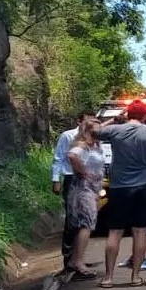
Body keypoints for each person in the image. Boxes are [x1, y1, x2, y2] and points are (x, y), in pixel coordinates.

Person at [95, 99, 146, 287]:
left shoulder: (116, 130)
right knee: (140, 232)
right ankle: (135, 276)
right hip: (144, 186)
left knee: (115, 232)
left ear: (127, 114)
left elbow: (93, 132)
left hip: (119, 187)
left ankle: (108, 278)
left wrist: (115, 120)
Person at [63, 117, 105, 278]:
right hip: (83, 189)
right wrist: (83, 171)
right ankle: (78, 261)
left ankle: (76, 259)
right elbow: (72, 156)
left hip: (92, 189)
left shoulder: (95, 144)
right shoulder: (83, 146)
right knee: (85, 224)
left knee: (85, 224)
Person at [51, 110, 93, 269]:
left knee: (85, 220)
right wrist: (56, 180)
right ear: (79, 121)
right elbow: (58, 158)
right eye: (87, 120)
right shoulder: (68, 136)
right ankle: (68, 259)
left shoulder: (93, 138)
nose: (90, 124)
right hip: (72, 179)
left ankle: (78, 258)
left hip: (87, 182)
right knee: (72, 220)